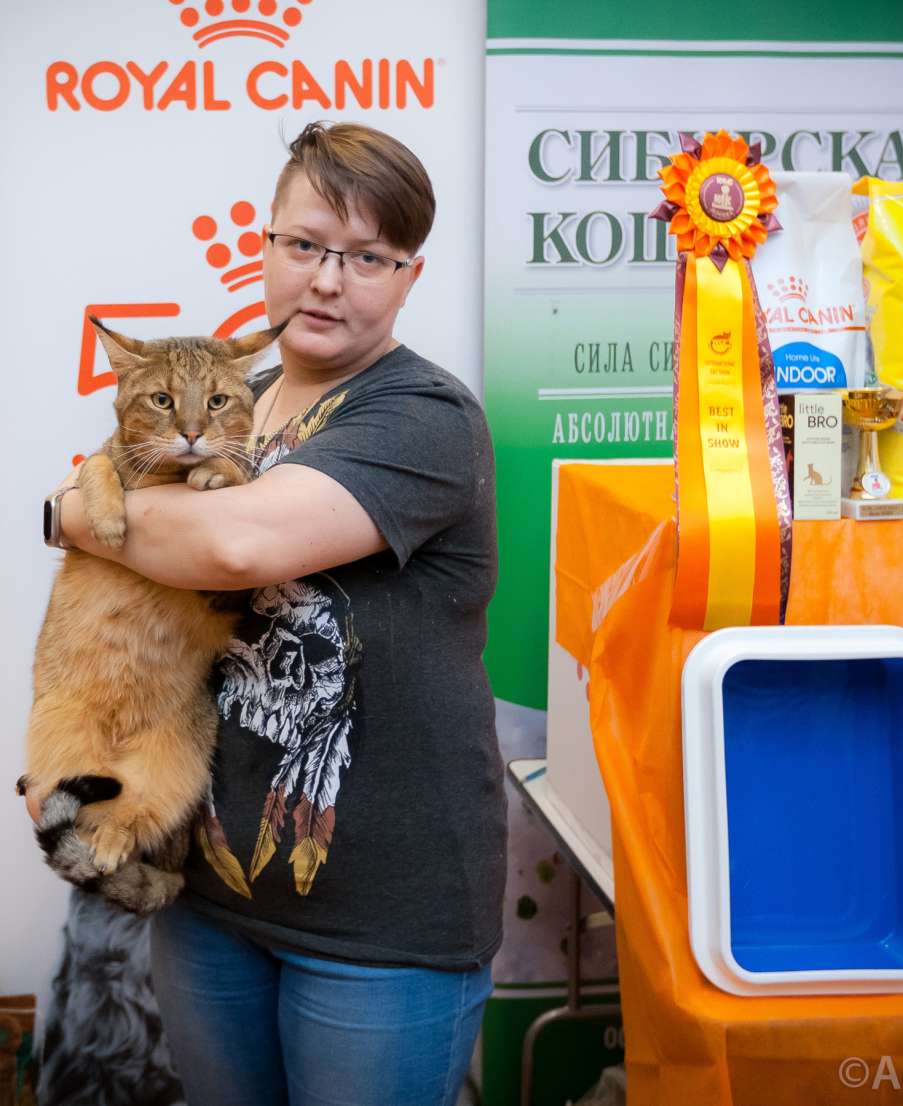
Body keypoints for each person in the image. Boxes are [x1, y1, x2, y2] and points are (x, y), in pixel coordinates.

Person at [33, 121, 506, 1106]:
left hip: (380, 922)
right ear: (264, 246)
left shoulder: (423, 415)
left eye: (367, 257)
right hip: (209, 893)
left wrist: (67, 511)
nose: (327, 281)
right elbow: (128, 593)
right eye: (305, 245)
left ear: (409, 276)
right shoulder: (224, 397)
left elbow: (233, 546)